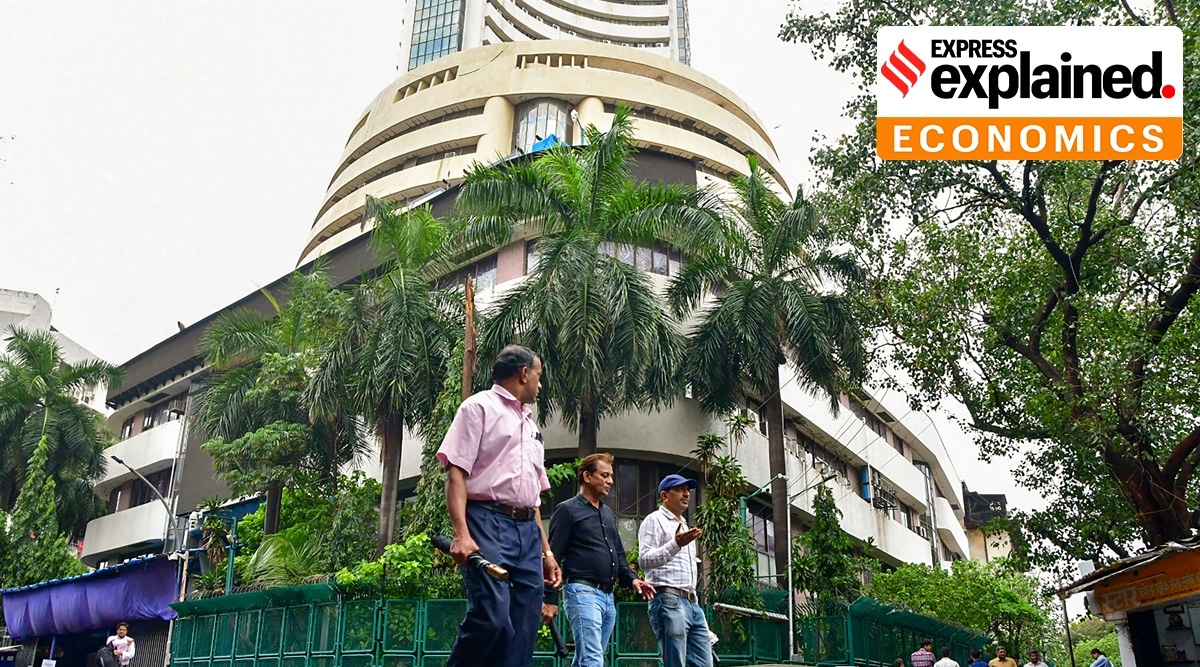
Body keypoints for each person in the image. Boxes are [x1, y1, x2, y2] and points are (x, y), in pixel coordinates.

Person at [437, 345, 562, 667]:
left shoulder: (532, 427)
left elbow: (532, 498)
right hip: (486, 522)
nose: (540, 384)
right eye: (539, 376)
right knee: (493, 619)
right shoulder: (477, 407)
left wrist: (546, 553)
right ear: (524, 373)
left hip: (527, 533)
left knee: (522, 631)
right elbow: (456, 473)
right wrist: (461, 533)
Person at [543, 453, 656, 667]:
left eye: (610, 476)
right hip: (581, 592)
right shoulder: (567, 510)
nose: (610, 481)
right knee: (592, 660)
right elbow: (552, 557)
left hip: (607, 597)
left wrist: (632, 579)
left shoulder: (607, 513)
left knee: (587, 659)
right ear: (587, 476)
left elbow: (619, 555)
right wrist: (549, 599)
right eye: (604, 475)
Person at [638, 473, 710, 667]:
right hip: (668, 599)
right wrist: (676, 544)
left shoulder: (684, 525)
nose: (686, 494)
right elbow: (644, 560)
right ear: (664, 495)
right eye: (679, 490)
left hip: (693, 603)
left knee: (704, 663)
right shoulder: (654, 520)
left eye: (687, 490)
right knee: (675, 662)